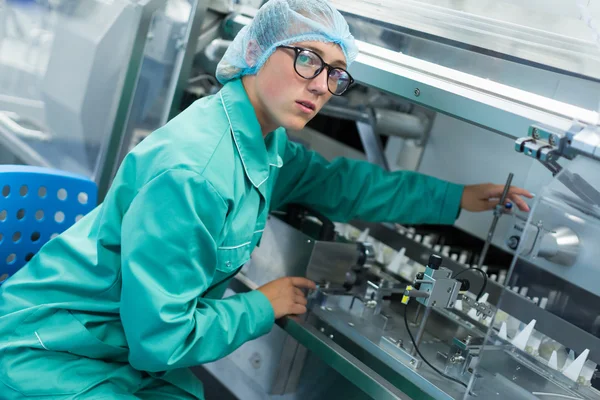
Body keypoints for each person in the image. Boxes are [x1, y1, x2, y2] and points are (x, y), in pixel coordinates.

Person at [0, 0, 533, 398]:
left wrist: (456, 198)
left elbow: (341, 184)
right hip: (53, 349)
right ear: (255, 50)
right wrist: (262, 304)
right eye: (307, 59)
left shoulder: (258, 138)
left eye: (336, 74)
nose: (322, 85)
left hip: (114, 340)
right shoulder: (198, 172)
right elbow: (159, 342)